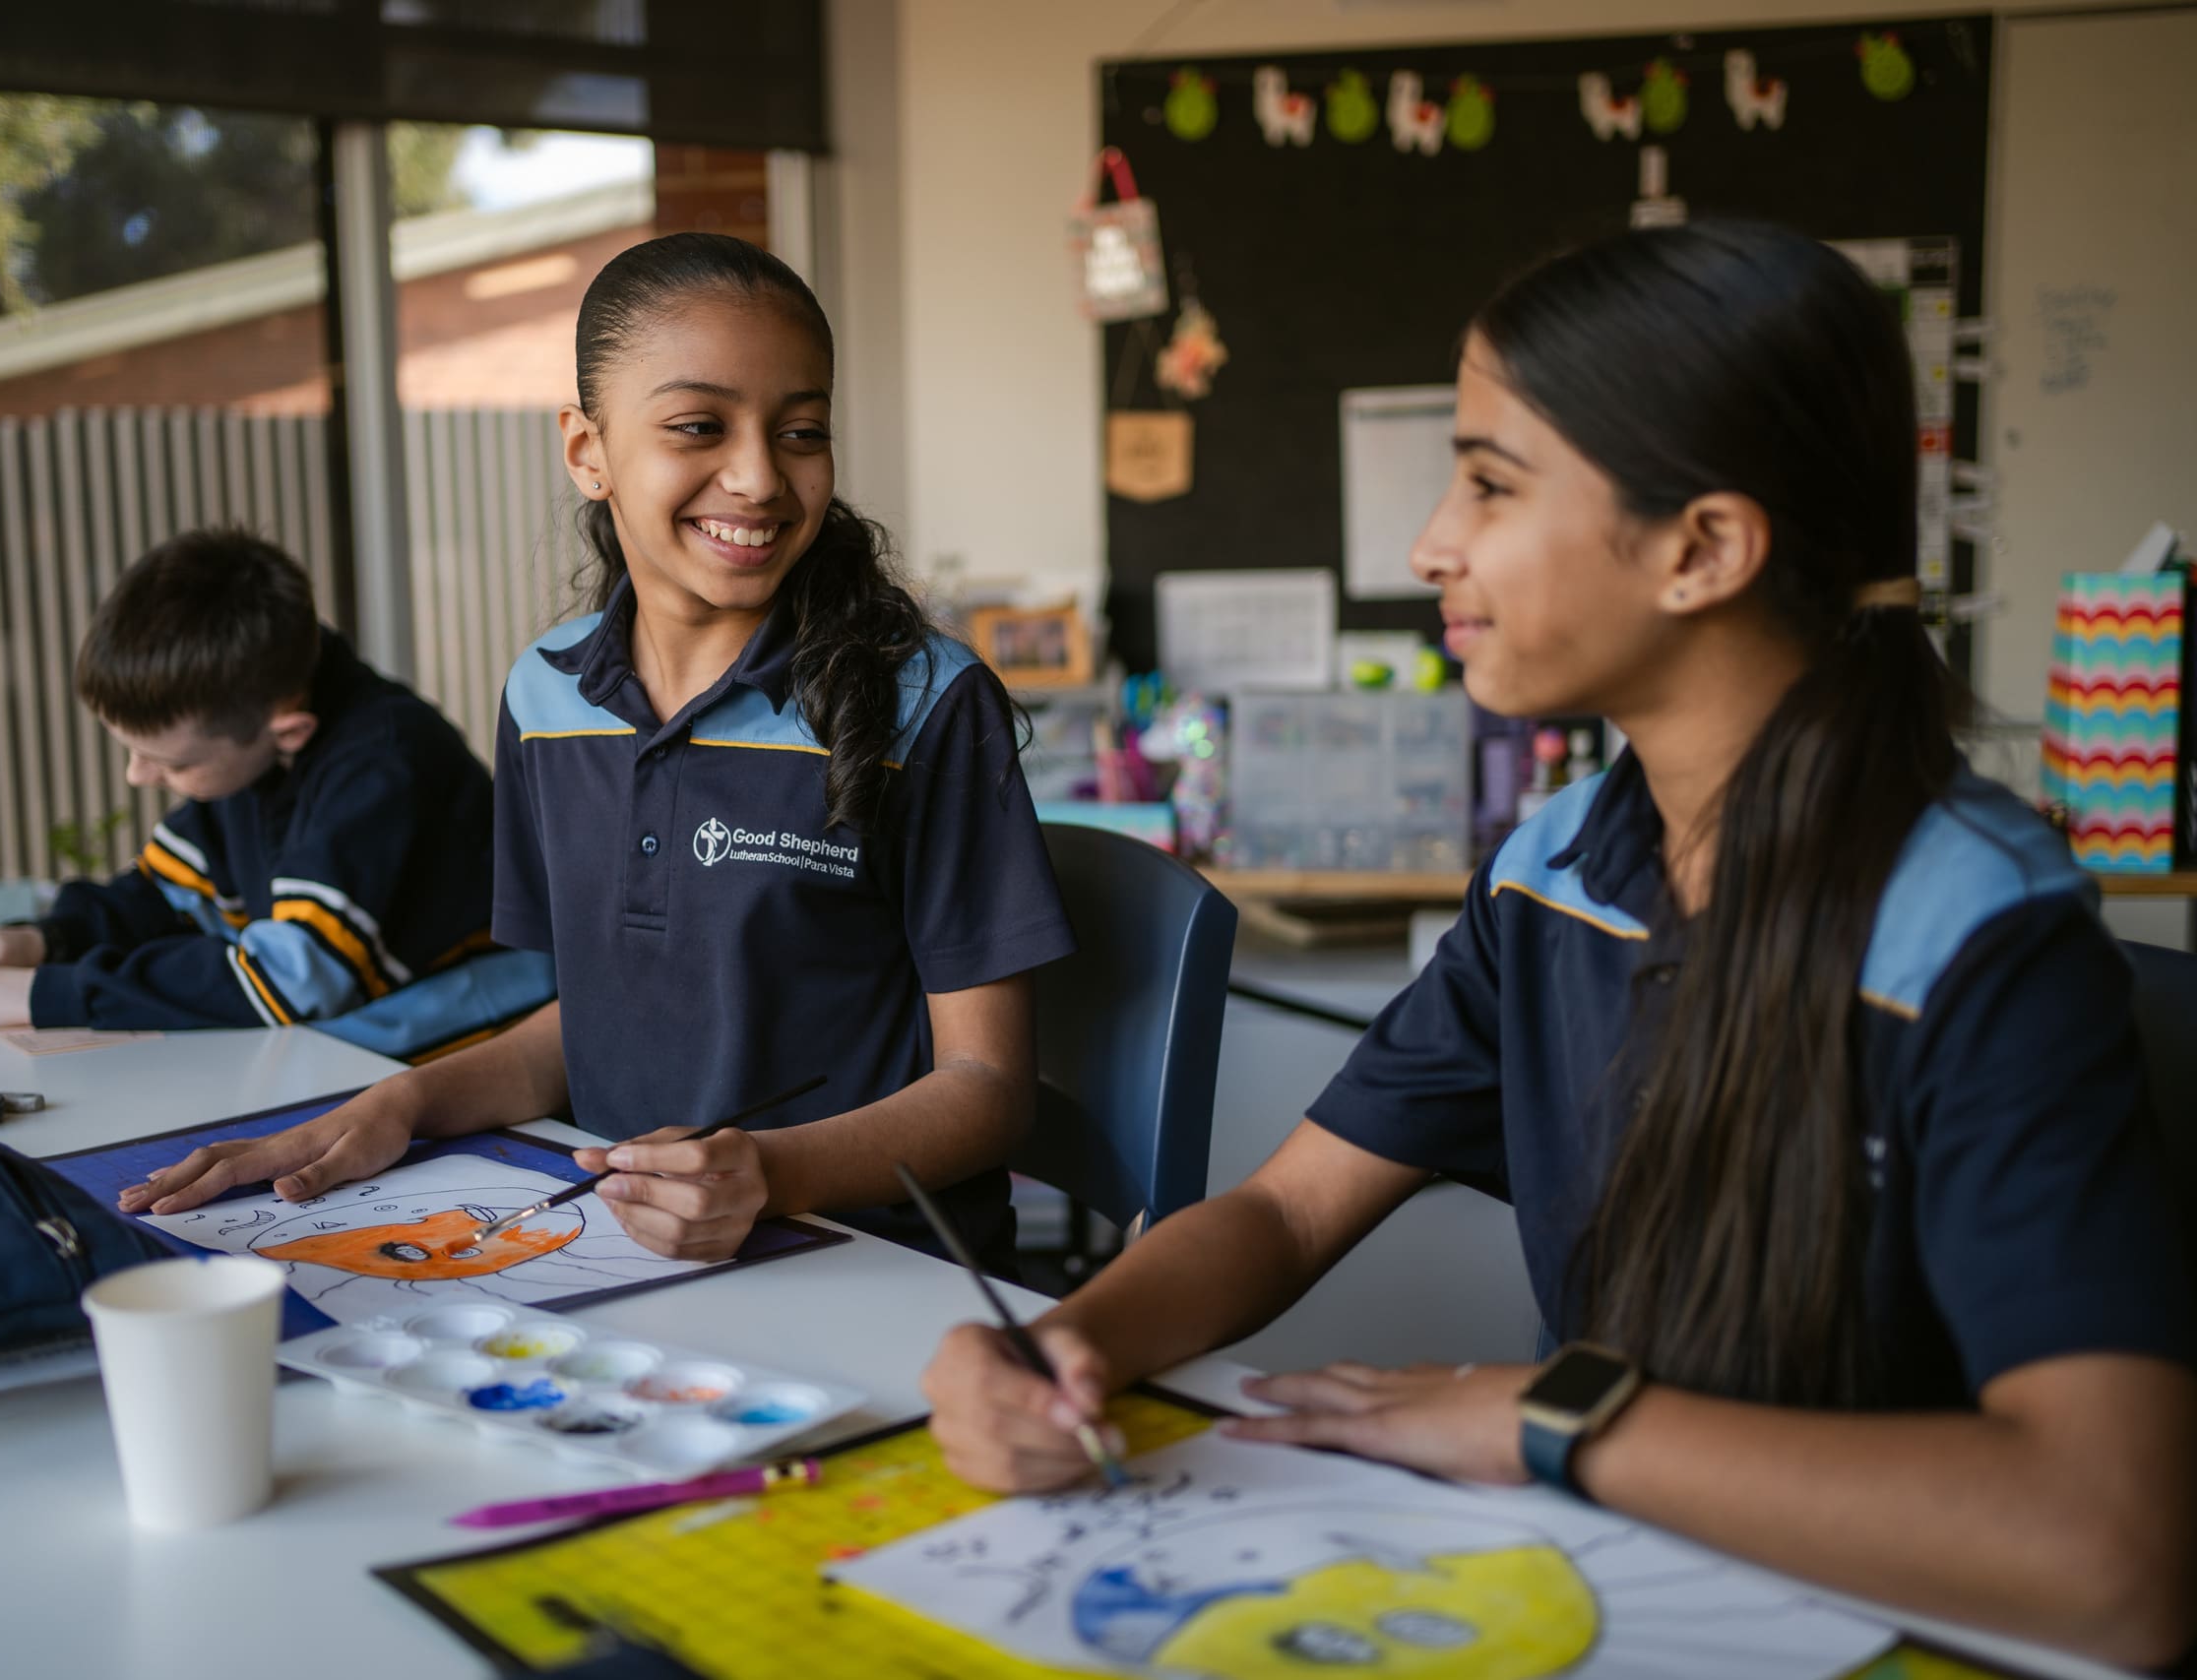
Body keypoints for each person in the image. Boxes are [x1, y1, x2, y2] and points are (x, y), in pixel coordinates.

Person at [918, 222, 2197, 1668]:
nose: (1430, 546)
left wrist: (1544, 1413)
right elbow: (1282, 1213)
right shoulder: (1558, 868)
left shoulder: (1973, 927)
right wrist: (1068, 1344)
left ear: (1702, 546)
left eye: (1488, 482)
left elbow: (2113, 1551)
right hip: (1634, 1581)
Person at [124, 233, 1074, 1269]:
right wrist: (404, 1099)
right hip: (617, 1256)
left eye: (801, 431)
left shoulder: (927, 704)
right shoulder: (545, 696)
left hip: (876, 1270)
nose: (758, 476)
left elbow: (988, 1092)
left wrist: (771, 1174)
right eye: (698, 426)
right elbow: (588, 1020)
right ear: (588, 452)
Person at [0, 528, 549, 1060]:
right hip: (343, 1046)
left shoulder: (386, 766)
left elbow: (288, 983)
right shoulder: (254, 744)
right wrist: (39, 944)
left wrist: (23, 995)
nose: (138, 776)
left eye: (167, 762)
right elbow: (163, 896)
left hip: (472, 1049)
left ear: (288, 731)